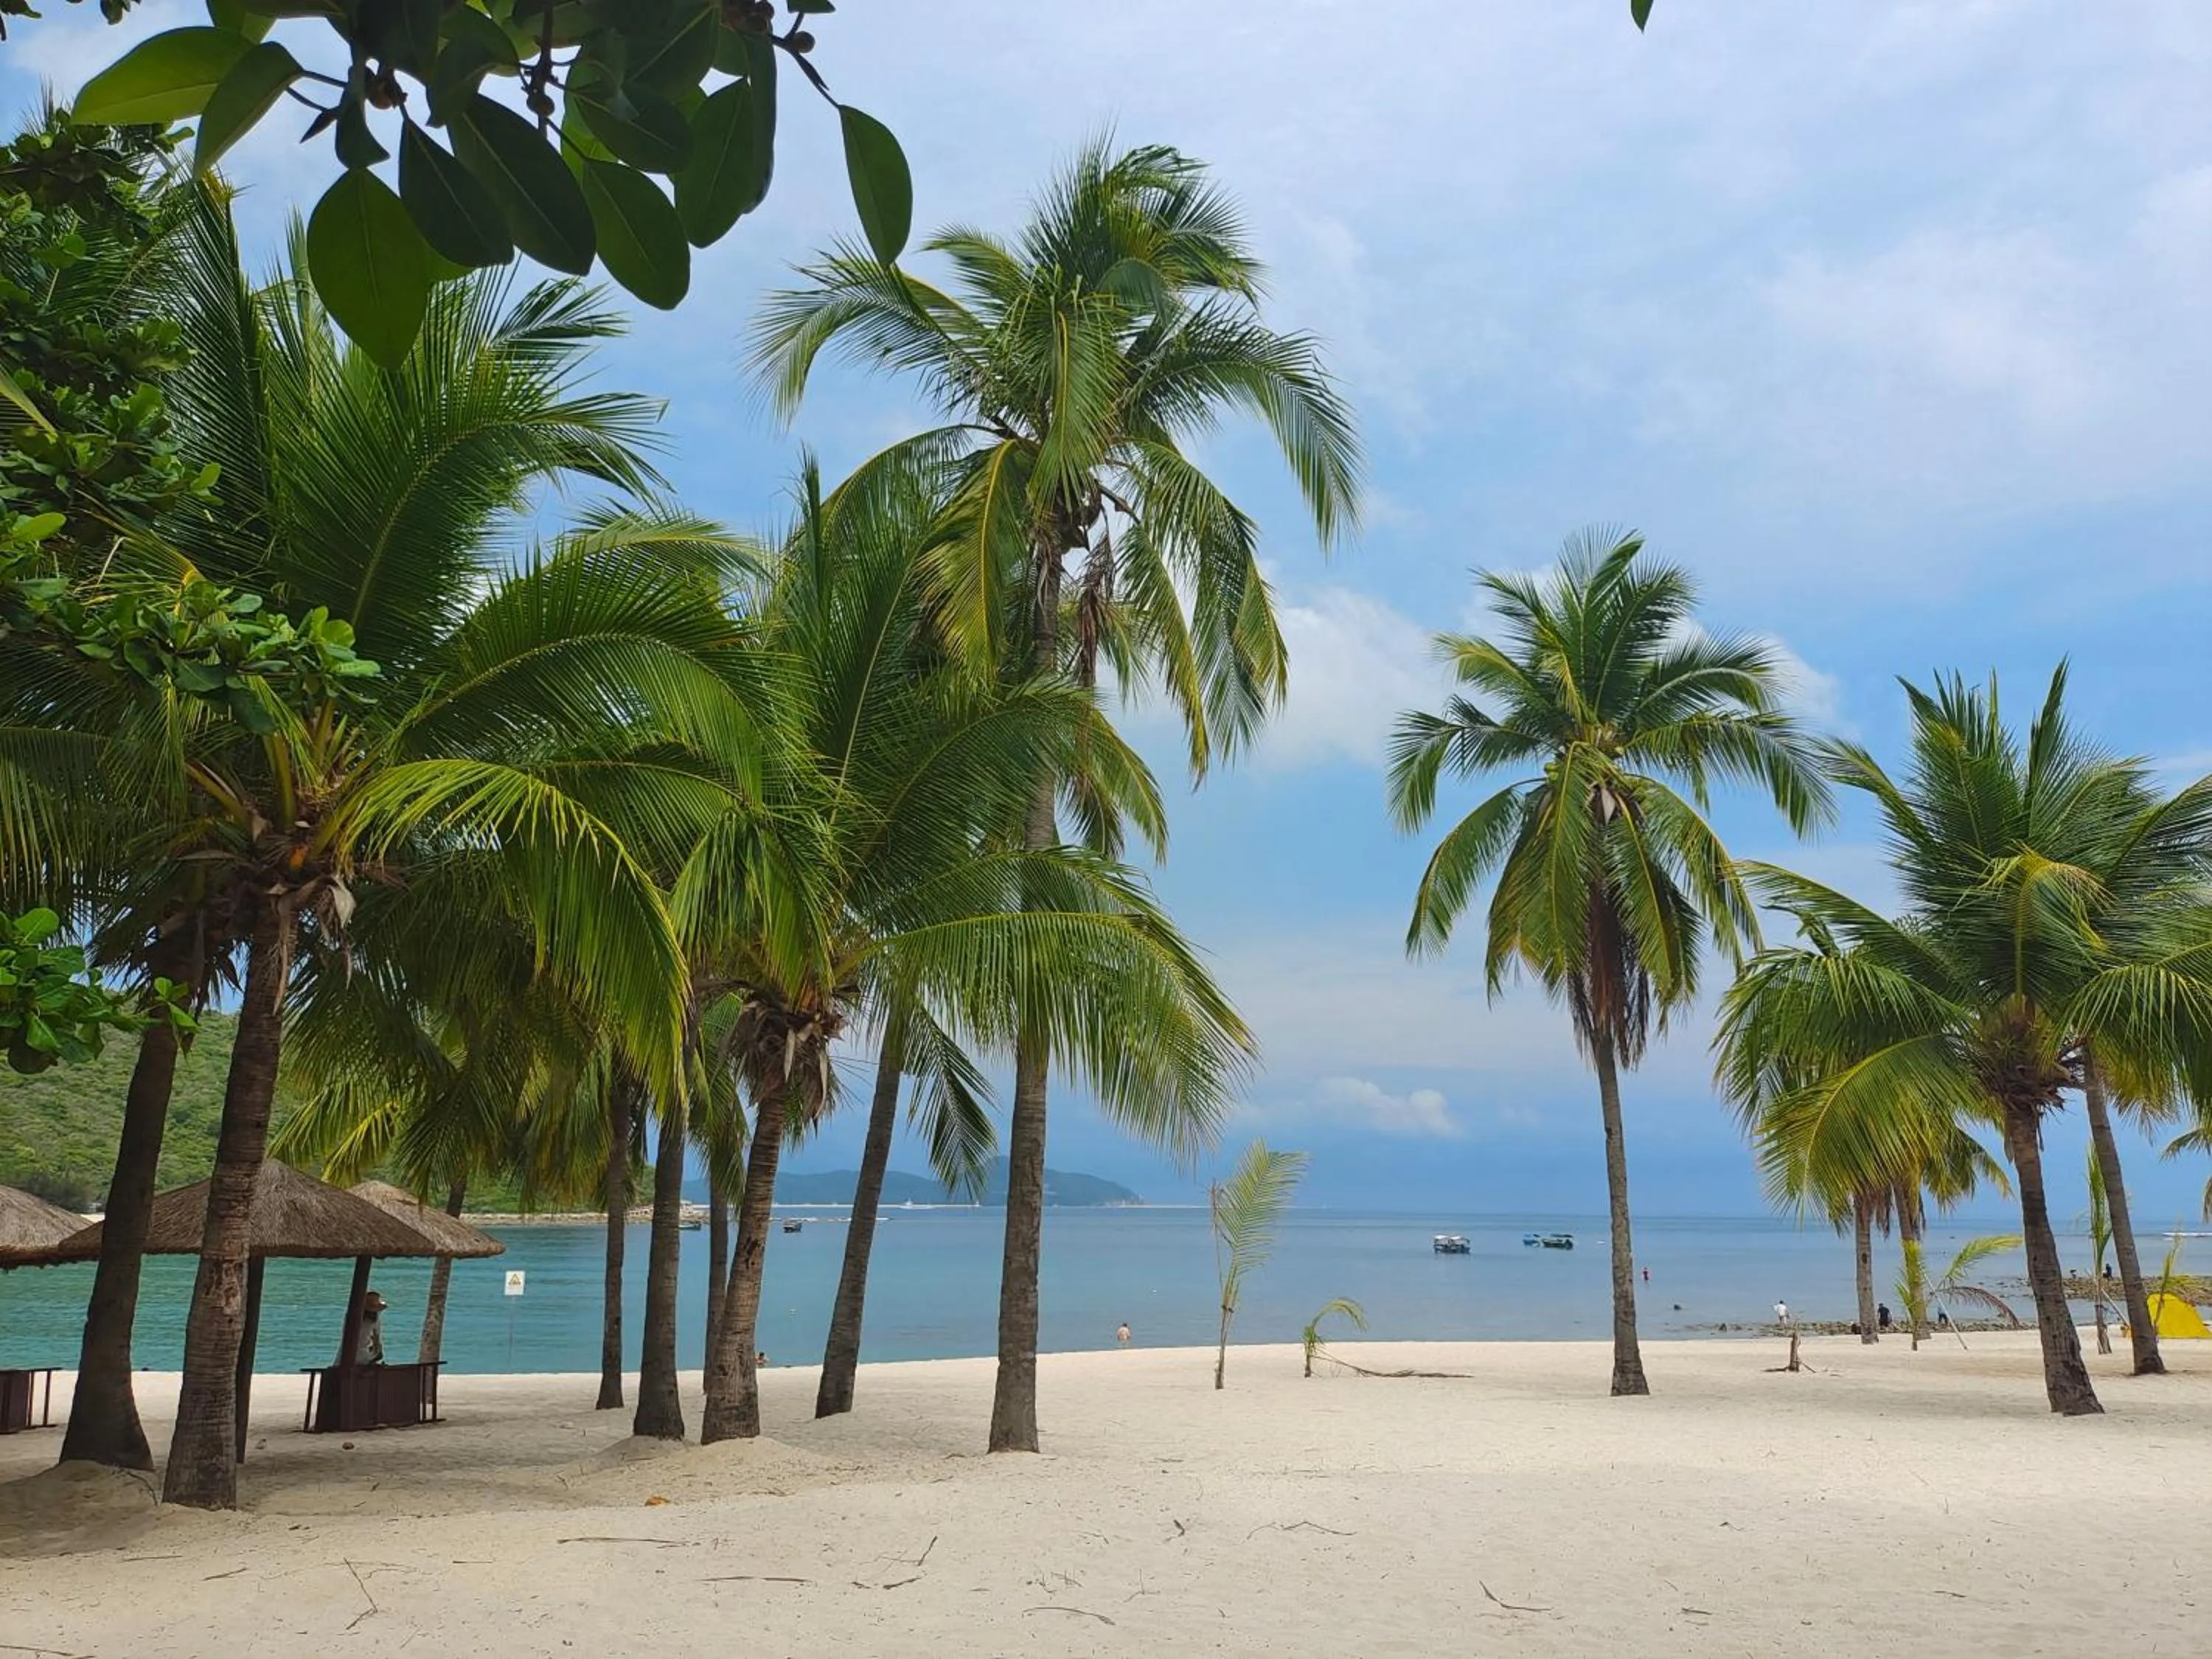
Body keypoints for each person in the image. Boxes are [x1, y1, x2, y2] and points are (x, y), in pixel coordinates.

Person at [356, 1290, 386, 1366]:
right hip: (364, 1357)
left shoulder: (353, 1316)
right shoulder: (374, 1320)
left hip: (347, 1356)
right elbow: (377, 1342)